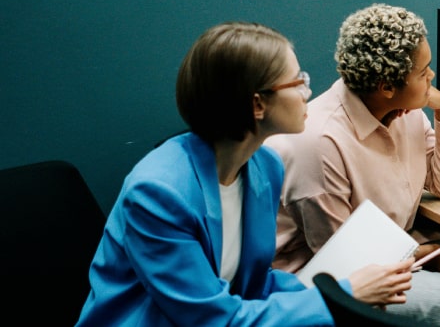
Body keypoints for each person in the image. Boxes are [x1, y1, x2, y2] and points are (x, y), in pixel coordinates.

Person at [77, 22, 413, 326]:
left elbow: (255, 283)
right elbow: (213, 320)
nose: (307, 94)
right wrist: (344, 295)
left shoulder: (265, 166)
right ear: (257, 104)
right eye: (298, 82)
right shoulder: (158, 193)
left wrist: (343, 288)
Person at [266, 4, 440, 326]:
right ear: (387, 87)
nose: (431, 76)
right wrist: (428, 253)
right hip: (323, 284)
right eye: (423, 72)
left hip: (389, 255)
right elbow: (343, 261)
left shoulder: (405, 113)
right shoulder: (320, 142)